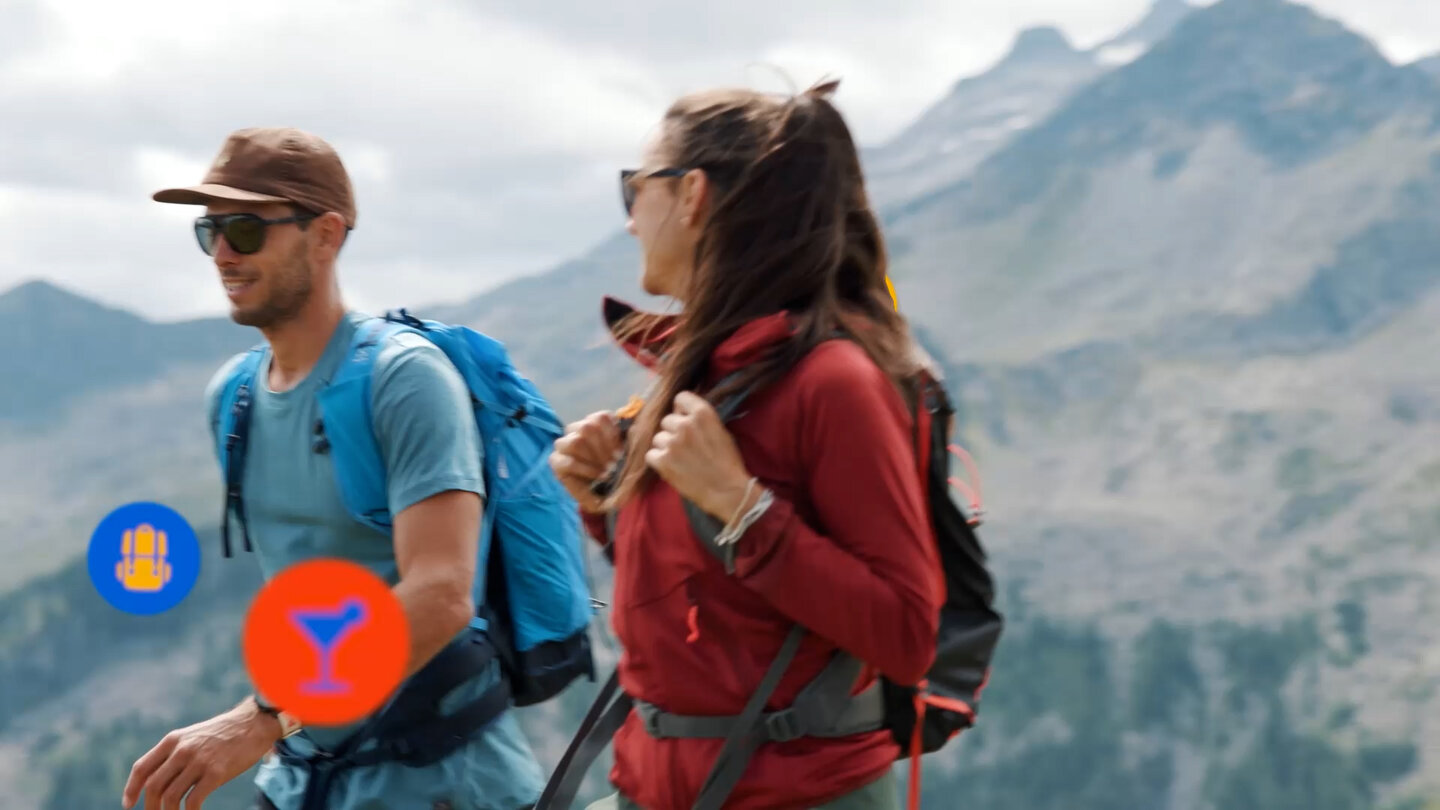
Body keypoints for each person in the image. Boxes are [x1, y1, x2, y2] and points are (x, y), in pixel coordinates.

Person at [548, 79, 945, 810]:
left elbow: (906, 633)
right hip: (659, 788)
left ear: (691, 194)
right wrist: (606, 503)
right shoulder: (708, 375)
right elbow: (718, 610)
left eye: (636, 188)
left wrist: (743, 510)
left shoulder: (833, 381)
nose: (630, 221)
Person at [121, 127, 545, 810]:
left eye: (246, 229)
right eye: (210, 231)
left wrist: (263, 716)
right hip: (306, 778)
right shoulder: (233, 398)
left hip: (440, 783)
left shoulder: (403, 379)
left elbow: (441, 593)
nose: (223, 253)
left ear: (325, 235)